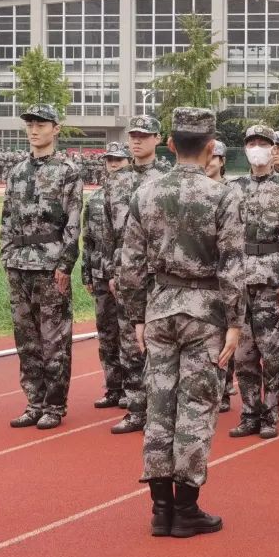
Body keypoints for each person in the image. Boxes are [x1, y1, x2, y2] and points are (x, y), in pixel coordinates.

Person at [119, 107, 246, 538]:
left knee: (159, 405)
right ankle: (186, 508)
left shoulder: (146, 193)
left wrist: (136, 313)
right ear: (210, 147)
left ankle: (160, 509)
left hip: (159, 307)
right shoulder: (222, 195)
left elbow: (130, 263)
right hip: (205, 311)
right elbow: (232, 264)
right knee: (195, 408)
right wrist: (236, 321)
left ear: (170, 145)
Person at [1, 104, 83, 430]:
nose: (34, 130)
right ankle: (33, 402)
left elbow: (73, 223)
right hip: (19, 264)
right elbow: (7, 218)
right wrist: (7, 257)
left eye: (41, 124)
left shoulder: (67, 171)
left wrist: (65, 264)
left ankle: (54, 405)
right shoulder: (17, 171)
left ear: (55, 129)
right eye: (30, 125)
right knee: (27, 340)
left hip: (50, 265)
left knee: (55, 340)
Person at [227, 124, 279, 440]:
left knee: (271, 353)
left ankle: (270, 415)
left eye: (263, 143)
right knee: (243, 355)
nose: (256, 148)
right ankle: (249, 413)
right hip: (239, 280)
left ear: (274, 149)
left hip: (271, 279)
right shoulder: (233, 188)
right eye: (251, 143)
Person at [103, 113, 167, 433]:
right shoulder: (116, 180)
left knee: (160, 342)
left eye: (144, 135)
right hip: (126, 272)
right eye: (133, 135)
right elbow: (107, 230)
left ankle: (161, 408)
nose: (137, 140)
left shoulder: (167, 179)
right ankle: (136, 408)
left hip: (159, 272)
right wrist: (110, 271)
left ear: (158, 139)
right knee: (129, 342)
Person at [82, 142, 130, 409]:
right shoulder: (95, 198)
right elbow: (88, 239)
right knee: (107, 334)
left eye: (118, 160)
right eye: (110, 160)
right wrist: (86, 273)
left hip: (126, 275)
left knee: (129, 335)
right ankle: (113, 387)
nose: (113, 164)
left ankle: (133, 390)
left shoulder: (135, 193)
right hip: (101, 274)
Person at [204, 140, 238, 413]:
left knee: (227, 331)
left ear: (222, 161)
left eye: (214, 157)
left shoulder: (232, 193)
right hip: (202, 273)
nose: (209, 162)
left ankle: (225, 387)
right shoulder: (196, 191)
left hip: (225, 272)